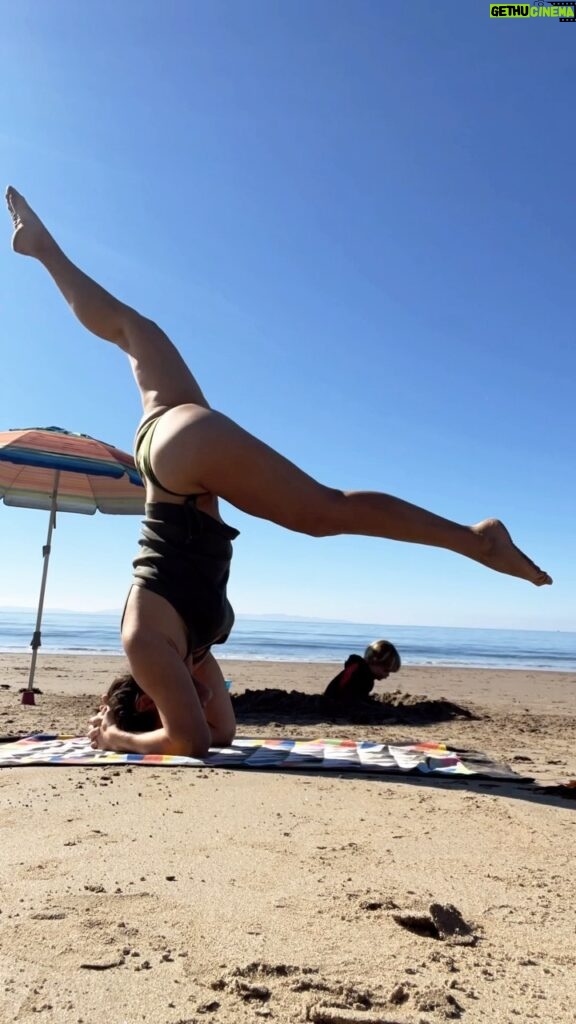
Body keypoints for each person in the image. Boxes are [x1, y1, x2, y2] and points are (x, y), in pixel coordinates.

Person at [5, 186, 552, 758]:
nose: (200, 695)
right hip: (174, 450)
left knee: (323, 511)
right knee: (129, 328)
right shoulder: (191, 649)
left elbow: (188, 741)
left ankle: (474, 540)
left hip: (181, 465)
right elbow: (218, 733)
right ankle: (43, 250)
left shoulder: (146, 642)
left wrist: (113, 738)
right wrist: (167, 709)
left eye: (164, 702)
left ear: (148, 701)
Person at [324, 640, 401, 702]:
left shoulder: (358, 667)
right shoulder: (363, 676)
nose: (387, 675)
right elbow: (349, 695)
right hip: (334, 700)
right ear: (373, 661)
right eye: (386, 670)